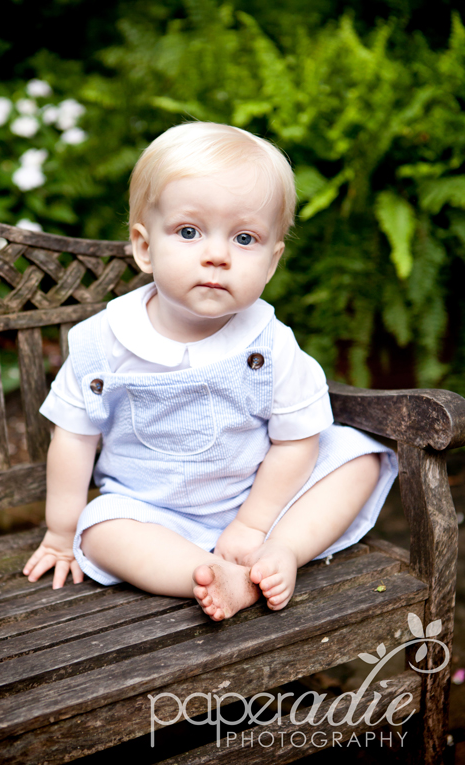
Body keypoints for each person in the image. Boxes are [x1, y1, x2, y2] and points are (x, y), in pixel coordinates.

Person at [23, 122, 397, 621]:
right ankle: (211, 574)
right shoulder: (103, 342)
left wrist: (253, 525)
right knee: (101, 527)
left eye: (244, 238)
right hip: (152, 514)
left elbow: (297, 441)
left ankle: (282, 552)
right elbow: (73, 438)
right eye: (189, 232)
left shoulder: (270, 343)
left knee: (358, 458)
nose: (217, 255)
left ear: (271, 263)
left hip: (264, 504)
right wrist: (60, 533)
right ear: (144, 247)